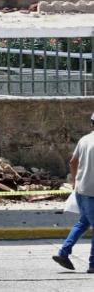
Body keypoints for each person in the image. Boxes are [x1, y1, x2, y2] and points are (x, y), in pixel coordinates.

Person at [53, 113, 94, 273]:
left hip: (81, 189)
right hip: (92, 193)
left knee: (83, 222)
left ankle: (63, 253)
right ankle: (92, 264)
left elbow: (72, 162)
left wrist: (75, 181)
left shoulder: (84, 140)